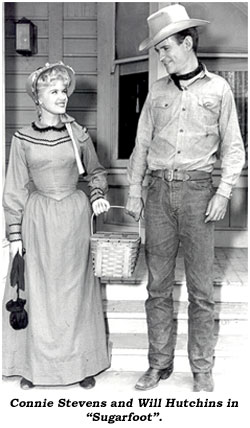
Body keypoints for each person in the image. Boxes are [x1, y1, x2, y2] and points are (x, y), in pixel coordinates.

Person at [125, 4, 245, 392]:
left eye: (165, 48)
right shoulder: (157, 92)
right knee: (157, 287)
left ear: (188, 42)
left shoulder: (219, 89)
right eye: (158, 50)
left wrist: (223, 191)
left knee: (201, 291)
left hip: (198, 194)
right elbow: (141, 145)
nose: (161, 56)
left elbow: (233, 148)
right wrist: (133, 191)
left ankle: (201, 368)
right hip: (157, 193)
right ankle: (158, 365)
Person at [2, 62, 110, 389]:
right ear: (38, 97)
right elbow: (15, 188)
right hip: (38, 220)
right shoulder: (22, 138)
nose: (62, 96)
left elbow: (97, 172)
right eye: (54, 91)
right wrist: (15, 233)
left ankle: (81, 365)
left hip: (75, 219)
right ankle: (34, 368)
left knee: (76, 291)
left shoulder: (78, 133)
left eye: (64, 90)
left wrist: (96, 197)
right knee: (38, 291)